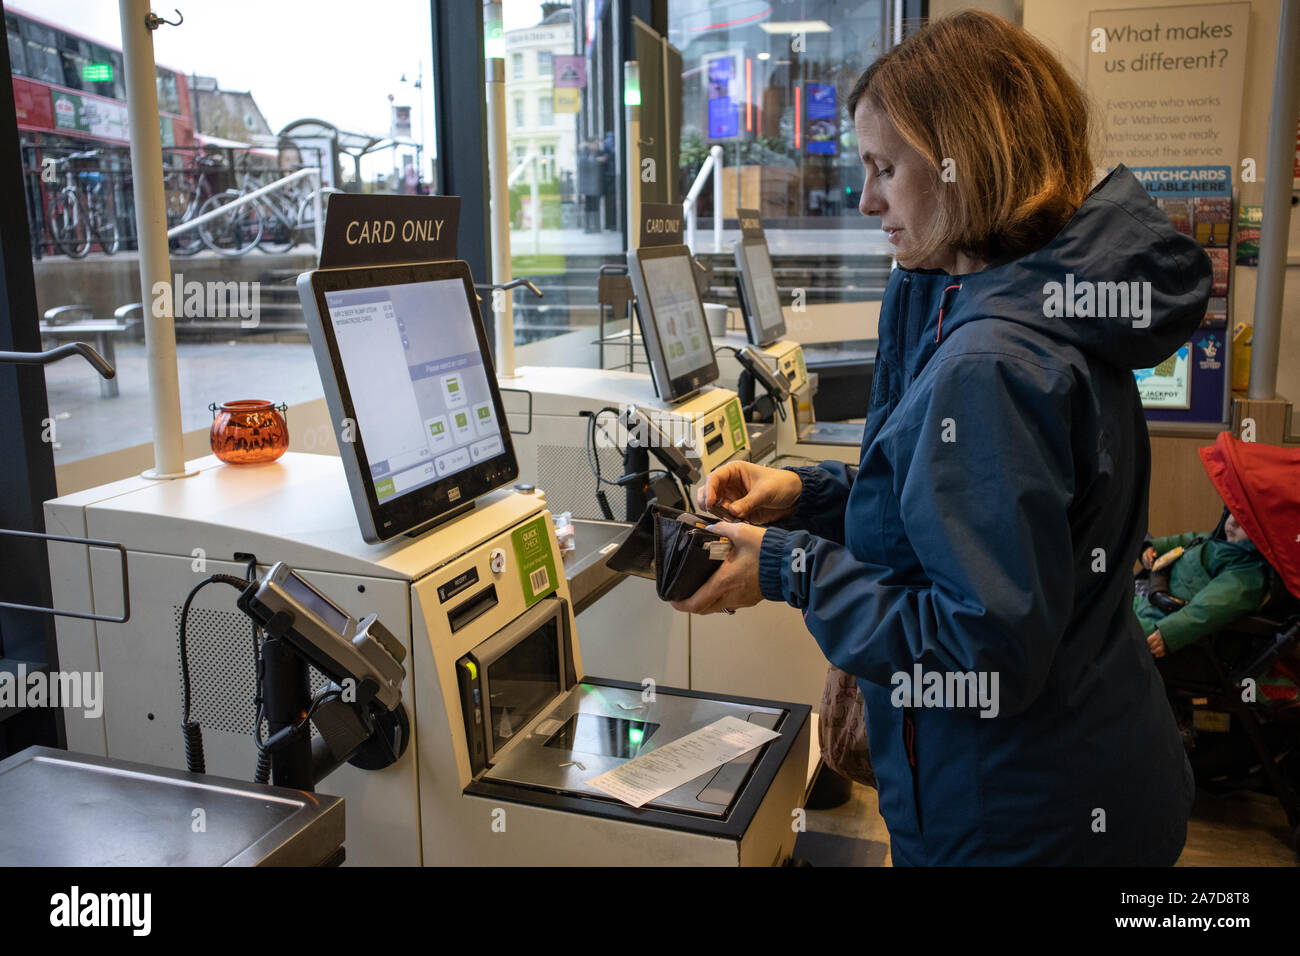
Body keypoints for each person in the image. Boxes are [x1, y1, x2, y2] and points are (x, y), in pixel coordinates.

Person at [672, 10, 1210, 865]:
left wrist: (786, 566)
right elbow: (952, 523)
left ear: (969, 165)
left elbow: (982, 655)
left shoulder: (992, 361)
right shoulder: (1009, 298)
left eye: (886, 168)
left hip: (1025, 818)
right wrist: (807, 499)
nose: (865, 199)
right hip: (1084, 766)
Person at [1137, 508, 1271, 660]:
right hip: (1148, 597)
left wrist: (1170, 633)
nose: (1233, 522)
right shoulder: (1214, 538)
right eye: (1233, 511)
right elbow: (1184, 541)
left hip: (1162, 622)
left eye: (1245, 521)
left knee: (1111, 624)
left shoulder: (1245, 573)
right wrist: (1153, 548)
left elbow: (1209, 608)